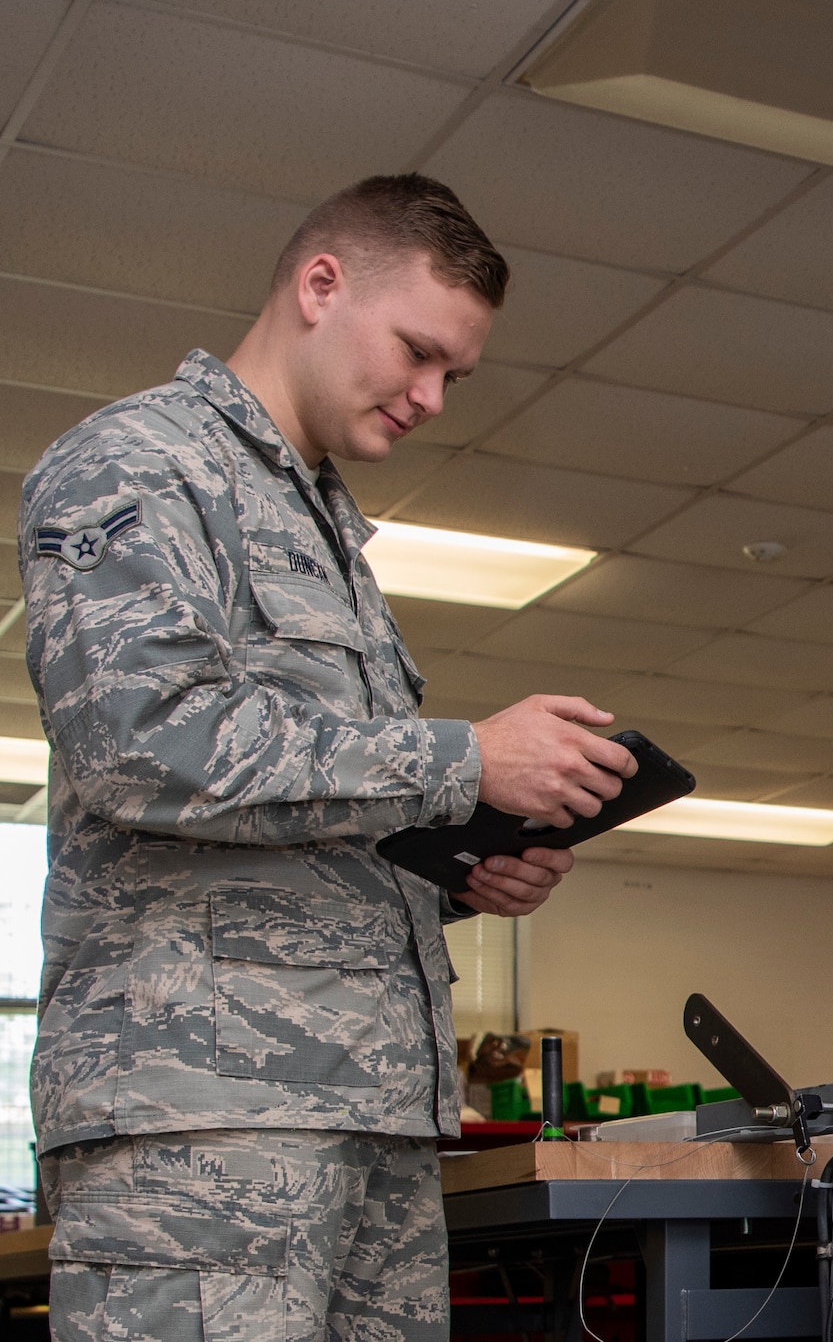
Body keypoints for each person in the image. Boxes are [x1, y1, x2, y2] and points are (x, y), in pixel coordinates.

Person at [19, 174, 640, 1340]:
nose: (432, 397)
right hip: (203, 1121)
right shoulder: (138, 464)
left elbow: (297, 823)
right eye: (417, 352)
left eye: (453, 373)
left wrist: (453, 874)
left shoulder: (326, 530)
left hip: (371, 1120)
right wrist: (463, 762)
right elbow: (144, 747)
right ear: (320, 286)